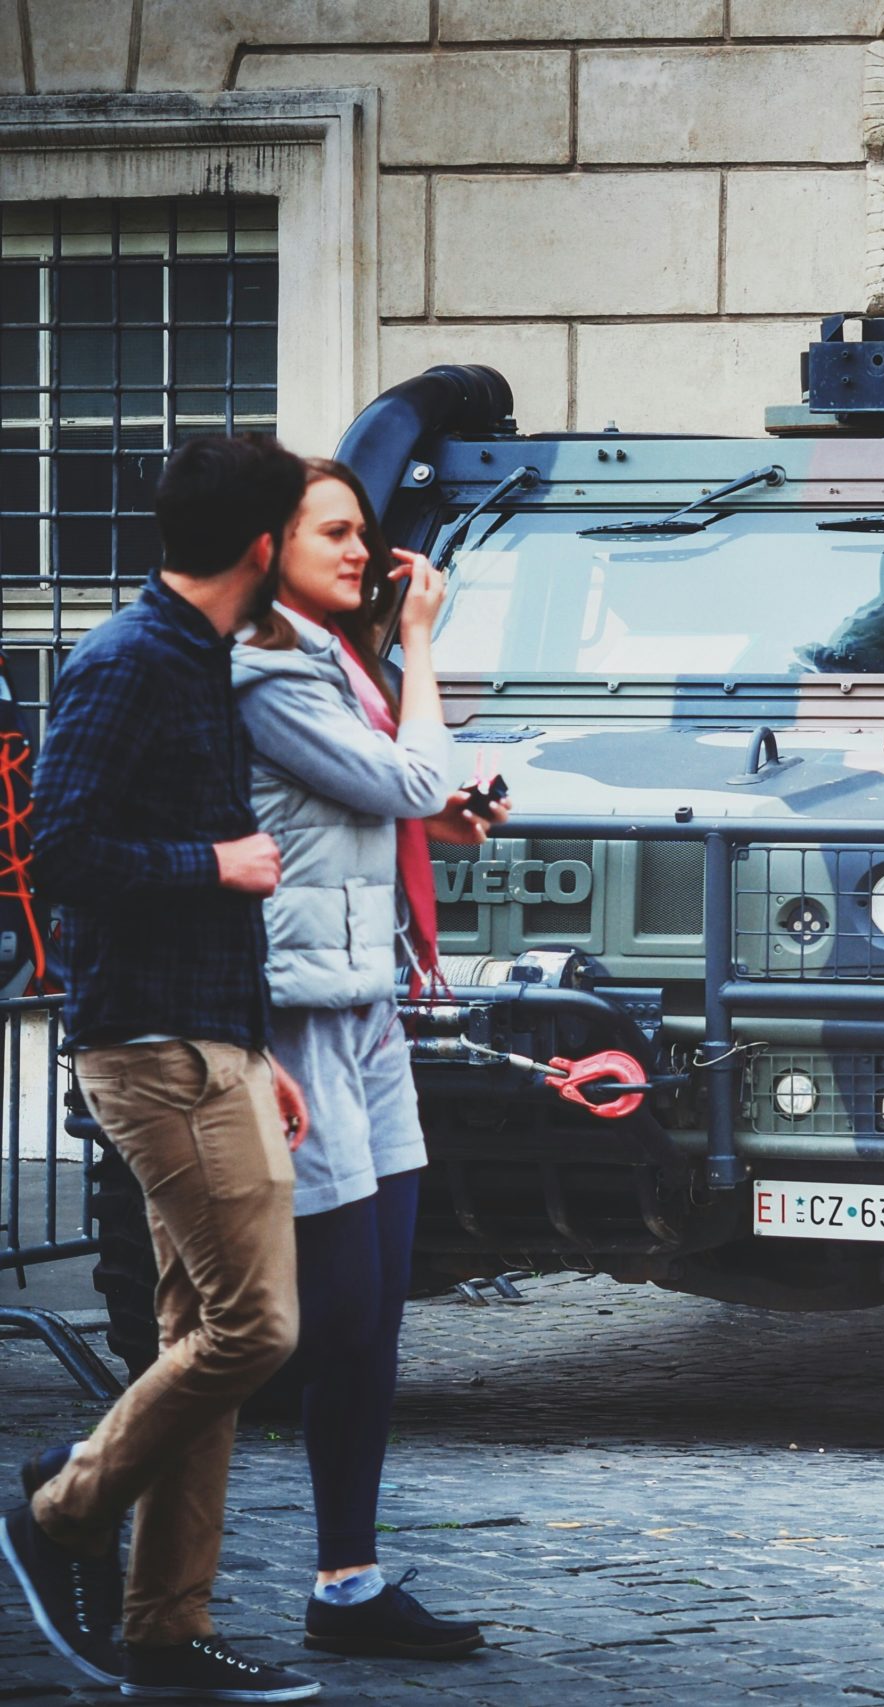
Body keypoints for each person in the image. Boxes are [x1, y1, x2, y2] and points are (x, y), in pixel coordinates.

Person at [8, 434, 323, 1701]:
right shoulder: (130, 661)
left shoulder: (198, 657)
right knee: (256, 1329)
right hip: (151, 1047)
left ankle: (166, 1627)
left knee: (199, 1334)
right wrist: (216, 864)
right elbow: (59, 852)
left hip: (211, 1041)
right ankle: (63, 1508)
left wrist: (258, 1047)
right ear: (263, 546)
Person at [233, 459, 501, 1660]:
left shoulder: (337, 663)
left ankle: (349, 1580)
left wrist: (436, 808)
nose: (358, 551)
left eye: (363, 532)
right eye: (333, 532)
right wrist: (424, 646)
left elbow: (390, 796)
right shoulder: (269, 670)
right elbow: (410, 772)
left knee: (375, 1314)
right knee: (315, 1321)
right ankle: (78, 1485)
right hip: (298, 1014)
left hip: (367, 1003)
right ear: (268, 546)